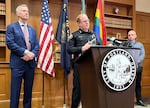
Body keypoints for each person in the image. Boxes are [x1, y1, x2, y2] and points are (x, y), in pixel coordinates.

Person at [6, 4, 39, 108]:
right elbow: (10, 43)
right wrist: (25, 52)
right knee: (15, 91)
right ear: (18, 14)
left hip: (30, 64)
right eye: (24, 11)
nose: (27, 13)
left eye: (27, 11)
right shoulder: (11, 27)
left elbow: (37, 45)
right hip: (17, 64)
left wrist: (32, 54)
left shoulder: (32, 30)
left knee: (28, 92)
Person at [68, 13, 98, 108]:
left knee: (92, 89)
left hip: (92, 66)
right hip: (79, 66)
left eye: (88, 21)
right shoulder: (74, 35)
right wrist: (82, 48)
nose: (87, 23)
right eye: (84, 21)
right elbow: (69, 49)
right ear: (79, 24)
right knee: (78, 89)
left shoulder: (94, 34)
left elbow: (100, 46)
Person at [127, 30, 146, 107]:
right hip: (128, 68)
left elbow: (142, 55)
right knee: (129, 85)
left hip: (138, 67)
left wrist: (135, 62)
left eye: (132, 35)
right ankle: (128, 100)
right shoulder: (125, 44)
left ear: (135, 36)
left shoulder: (140, 45)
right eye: (129, 35)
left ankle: (139, 100)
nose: (130, 36)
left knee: (137, 84)